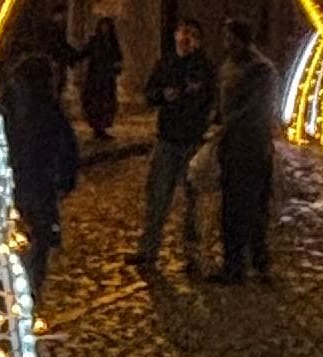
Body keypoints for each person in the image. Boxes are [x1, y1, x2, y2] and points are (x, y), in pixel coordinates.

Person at [135, 17, 218, 279]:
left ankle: (192, 254)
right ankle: (148, 248)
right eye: (182, 32)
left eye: (191, 34)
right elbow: (149, 93)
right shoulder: (167, 62)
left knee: (192, 201)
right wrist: (162, 95)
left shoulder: (204, 66)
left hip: (192, 140)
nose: (185, 38)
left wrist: (198, 98)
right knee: (157, 196)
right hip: (167, 139)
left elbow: (212, 98)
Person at [1, 49, 80, 299]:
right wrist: (65, 179)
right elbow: (66, 146)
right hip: (37, 181)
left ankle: (19, 286)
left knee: (22, 233)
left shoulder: (8, 107)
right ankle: (28, 287)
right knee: (37, 236)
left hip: (17, 180)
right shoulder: (46, 109)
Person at [215, 17, 279, 284]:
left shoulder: (261, 70)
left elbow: (255, 109)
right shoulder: (230, 65)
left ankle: (249, 261)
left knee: (249, 206)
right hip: (231, 146)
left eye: (231, 38)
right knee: (233, 206)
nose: (226, 43)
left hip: (251, 147)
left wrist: (227, 124)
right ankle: (238, 261)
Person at [80, 15, 125, 141]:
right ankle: (97, 128)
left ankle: (102, 129)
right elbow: (85, 52)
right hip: (95, 79)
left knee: (106, 104)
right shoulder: (94, 41)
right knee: (95, 104)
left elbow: (118, 57)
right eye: (103, 26)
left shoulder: (113, 43)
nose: (105, 29)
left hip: (107, 79)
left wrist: (117, 66)